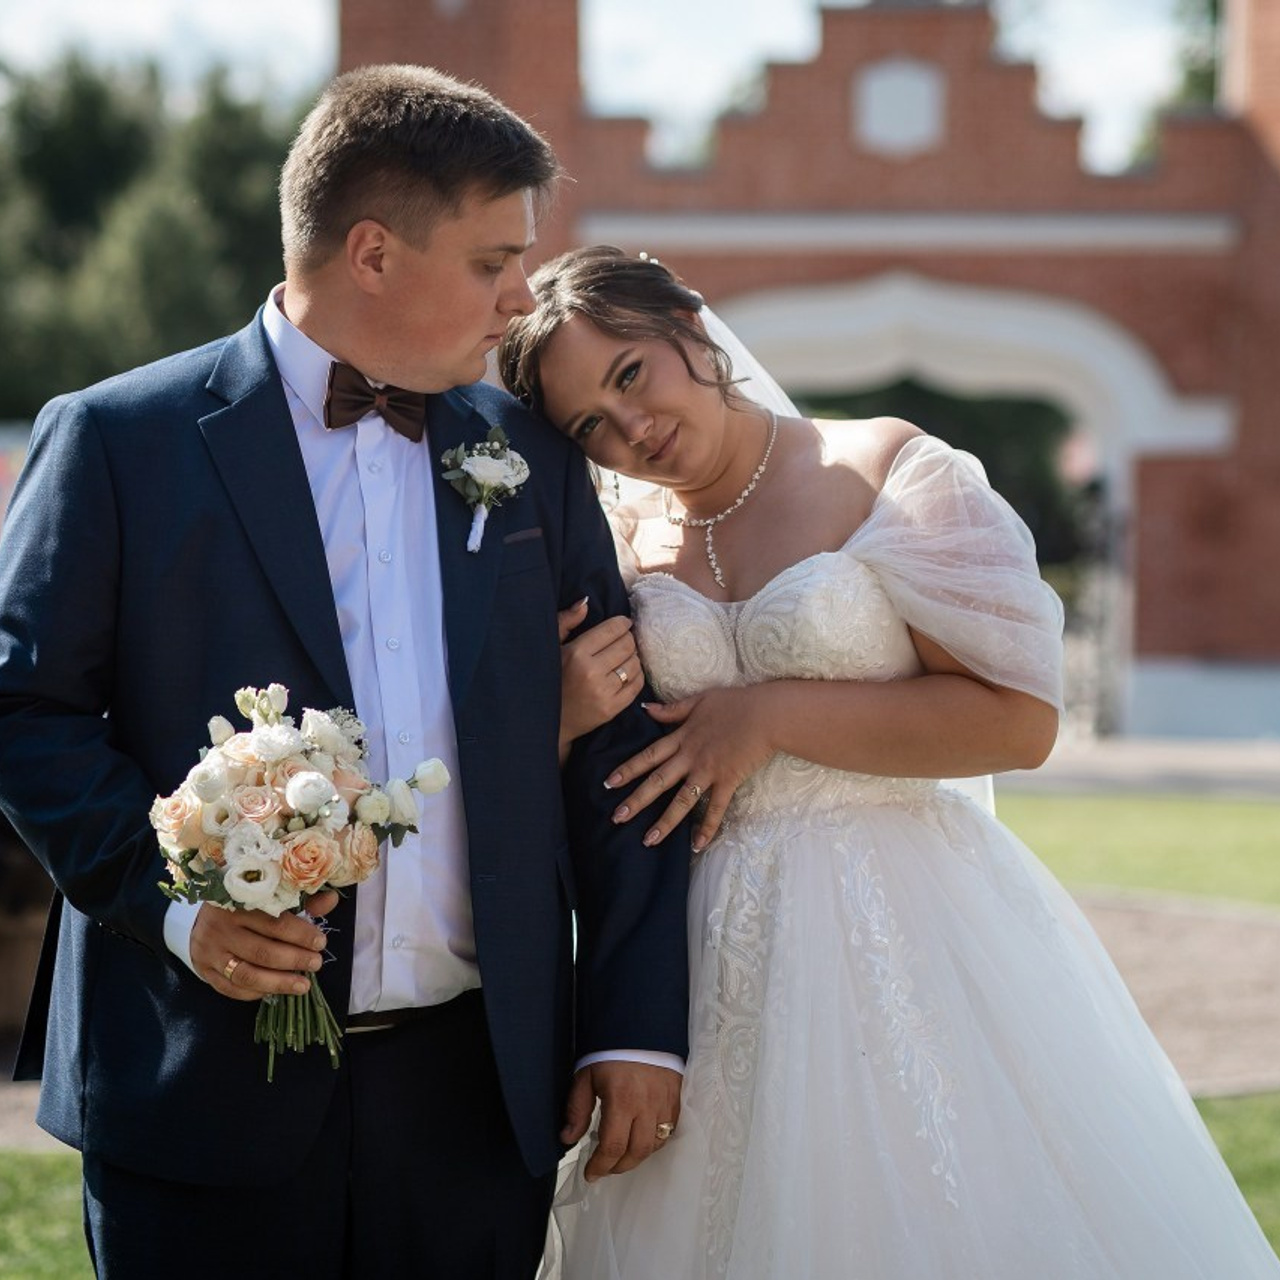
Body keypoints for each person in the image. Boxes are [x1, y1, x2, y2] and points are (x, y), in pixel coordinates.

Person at [0, 75, 689, 1279]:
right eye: (492, 261)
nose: (520, 297)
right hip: (198, 1085)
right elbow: (25, 710)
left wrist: (636, 1022)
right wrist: (175, 907)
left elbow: (624, 741)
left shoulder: (523, 452)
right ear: (372, 251)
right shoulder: (119, 440)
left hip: (479, 1091)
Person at [499, 245, 1280, 1278]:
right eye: (589, 424)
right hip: (697, 952)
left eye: (629, 374)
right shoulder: (617, 543)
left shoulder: (884, 470)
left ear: (688, 323)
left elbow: (1016, 719)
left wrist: (770, 712)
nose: (628, 429)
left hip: (903, 924)